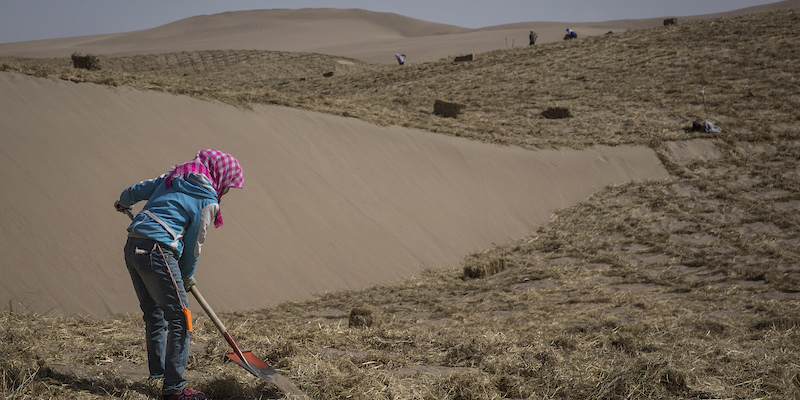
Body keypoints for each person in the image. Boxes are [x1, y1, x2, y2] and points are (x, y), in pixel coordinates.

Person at [114, 149, 244, 400]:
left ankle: (158, 376)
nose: (225, 191)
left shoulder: (173, 177)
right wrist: (185, 275)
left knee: (154, 315)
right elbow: (194, 245)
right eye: (227, 186)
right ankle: (174, 389)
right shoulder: (207, 199)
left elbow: (137, 189)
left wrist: (124, 201)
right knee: (182, 321)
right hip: (158, 250)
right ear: (219, 176)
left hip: (134, 246)